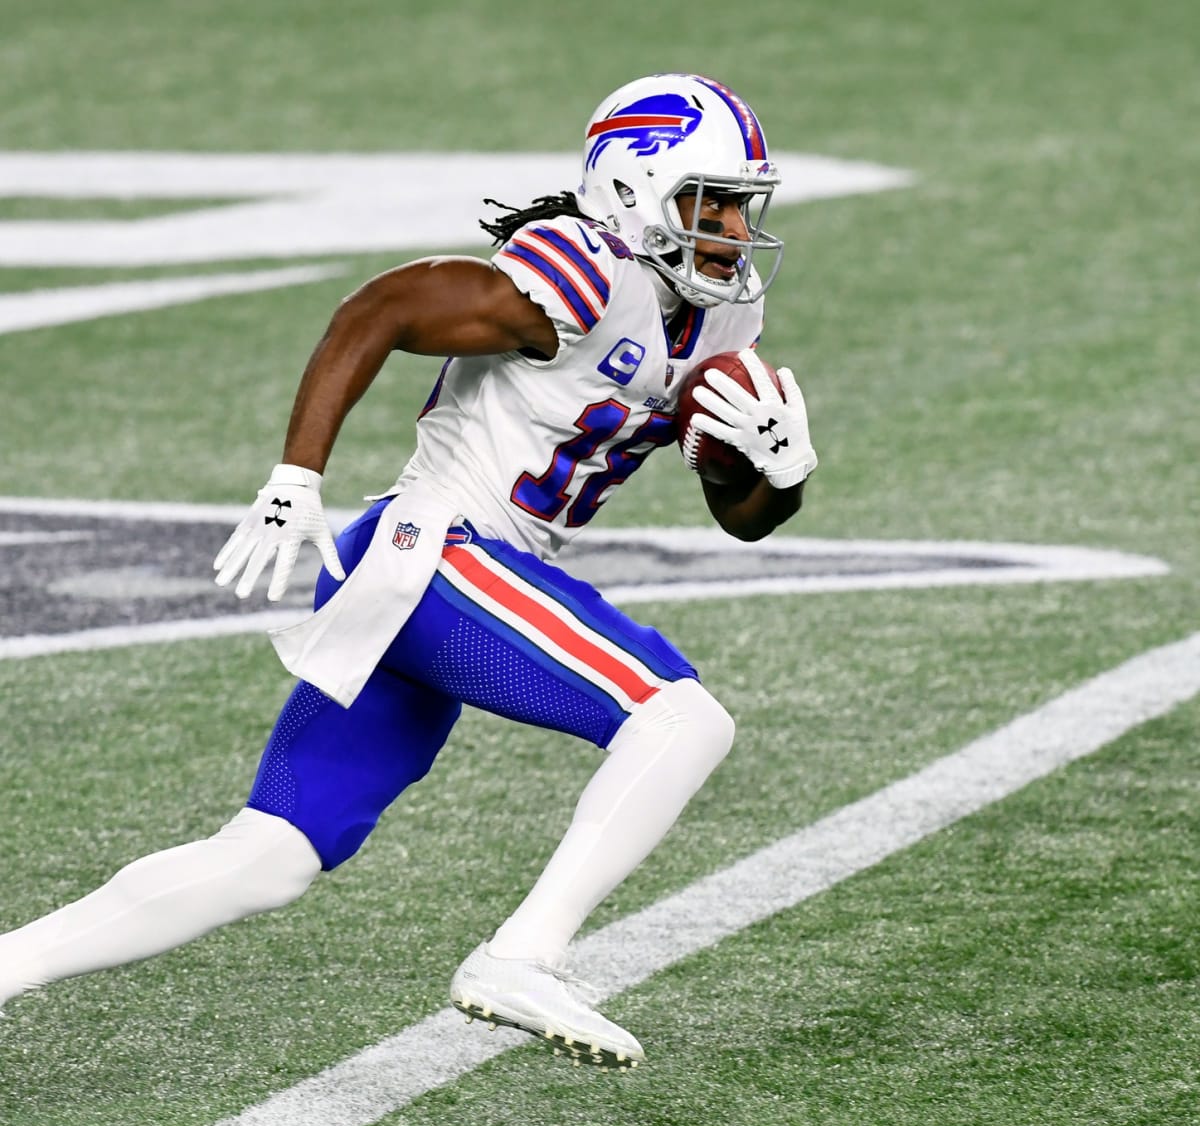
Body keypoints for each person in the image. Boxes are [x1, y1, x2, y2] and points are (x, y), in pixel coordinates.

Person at [0, 74, 817, 1069]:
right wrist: (295, 476)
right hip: (438, 553)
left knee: (267, 856)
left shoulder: (722, 315)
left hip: (429, 579)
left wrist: (781, 476)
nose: (734, 226)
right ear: (637, 191)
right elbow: (378, 307)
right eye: (711, 200)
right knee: (682, 718)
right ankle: (522, 955)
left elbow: (741, 520)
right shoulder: (583, 269)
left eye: (741, 202)